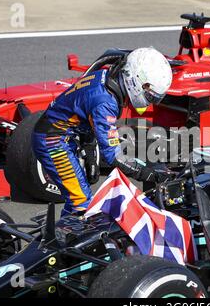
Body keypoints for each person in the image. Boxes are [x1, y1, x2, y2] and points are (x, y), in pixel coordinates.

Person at [32, 47, 173, 216]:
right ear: (137, 81)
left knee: (80, 196)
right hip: (52, 142)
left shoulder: (107, 77)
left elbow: (83, 114)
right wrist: (149, 175)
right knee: (81, 202)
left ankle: (65, 232)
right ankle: (66, 238)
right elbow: (113, 156)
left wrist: (90, 152)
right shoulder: (105, 102)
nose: (149, 102)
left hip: (62, 135)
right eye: (149, 96)